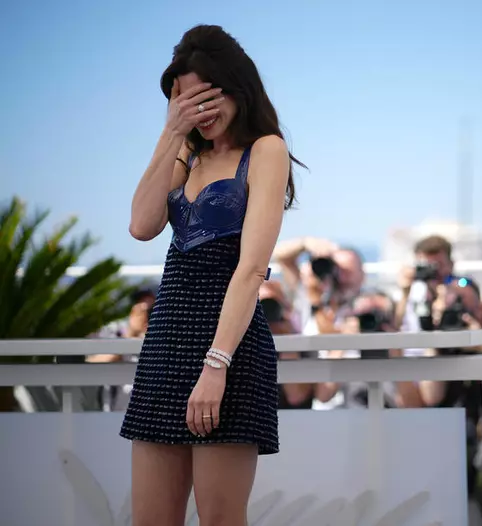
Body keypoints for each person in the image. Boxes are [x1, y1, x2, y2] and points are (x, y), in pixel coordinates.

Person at [120, 25, 301, 526]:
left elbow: (249, 270)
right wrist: (170, 132)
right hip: (166, 342)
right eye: (185, 103)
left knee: (220, 518)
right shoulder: (187, 152)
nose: (199, 113)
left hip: (229, 350)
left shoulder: (265, 150)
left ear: (234, 88)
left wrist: (216, 366)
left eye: (205, 98)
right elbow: (141, 225)